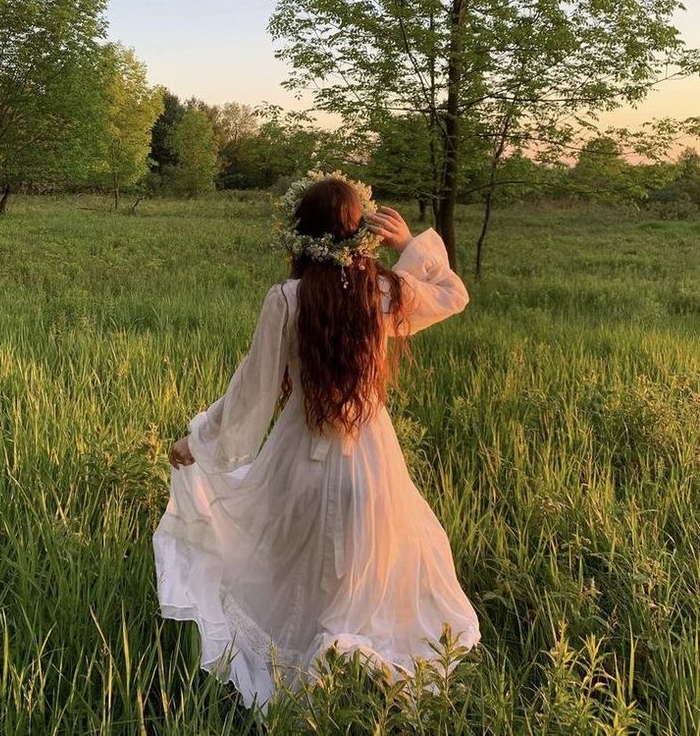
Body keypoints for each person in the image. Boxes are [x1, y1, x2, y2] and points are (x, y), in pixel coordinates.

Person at [152, 170, 481, 712]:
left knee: (286, 558)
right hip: (373, 462)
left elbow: (251, 395)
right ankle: (349, 643)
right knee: (361, 554)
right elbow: (452, 294)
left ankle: (312, 648)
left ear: (300, 234)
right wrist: (410, 245)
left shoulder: (287, 298)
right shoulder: (382, 291)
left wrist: (201, 440)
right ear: (360, 234)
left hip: (300, 457)